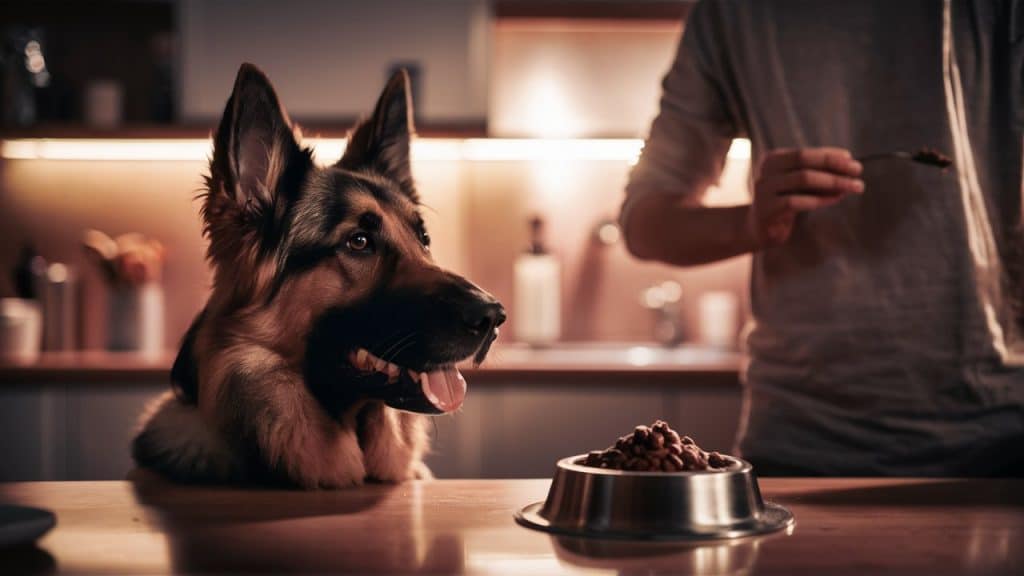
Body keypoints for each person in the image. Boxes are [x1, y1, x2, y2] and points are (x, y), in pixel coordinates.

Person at [621, 0, 1024, 476]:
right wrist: (751, 224)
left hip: (995, 451)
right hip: (800, 447)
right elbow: (643, 222)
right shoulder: (732, 13)